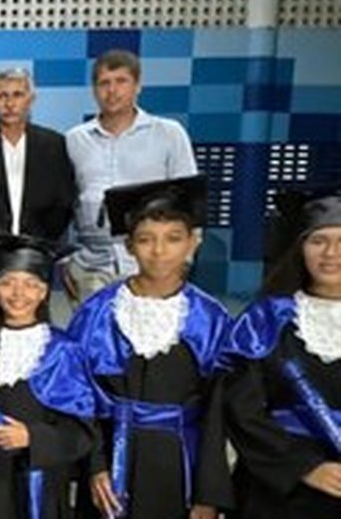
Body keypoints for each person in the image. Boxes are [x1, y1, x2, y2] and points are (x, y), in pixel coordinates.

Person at [67, 175, 232, 519]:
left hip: (177, 462)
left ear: (192, 243)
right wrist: (94, 467)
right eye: (145, 239)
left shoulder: (209, 318)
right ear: (128, 246)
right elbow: (80, 399)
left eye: (173, 239)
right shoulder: (97, 312)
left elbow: (217, 413)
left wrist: (208, 494)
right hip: (110, 461)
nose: (158, 251)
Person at [0, 234, 96, 519]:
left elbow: (82, 431)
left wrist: (32, 437)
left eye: (30, 284)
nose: (18, 294)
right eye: (7, 283)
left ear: (45, 291)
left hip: (42, 477)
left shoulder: (63, 350)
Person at [221, 188, 341, 517]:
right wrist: (304, 467)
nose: (331, 253)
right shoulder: (265, 319)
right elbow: (241, 407)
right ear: (300, 248)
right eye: (318, 241)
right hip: (276, 486)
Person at [65, 49, 198, 306]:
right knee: (94, 342)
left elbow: (189, 202)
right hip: (92, 263)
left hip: (152, 260)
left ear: (138, 86)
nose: (112, 90)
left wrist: (184, 261)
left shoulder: (169, 133)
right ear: (94, 89)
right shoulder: (75, 139)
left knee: (148, 341)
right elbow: (64, 203)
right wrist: (67, 260)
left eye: (121, 81)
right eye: (104, 83)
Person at [0, 68, 75, 333]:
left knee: (34, 339)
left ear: (31, 99)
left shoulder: (54, 144)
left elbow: (64, 201)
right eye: (2, 96)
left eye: (18, 95)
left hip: (35, 259)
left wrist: (33, 244)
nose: (10, 103)